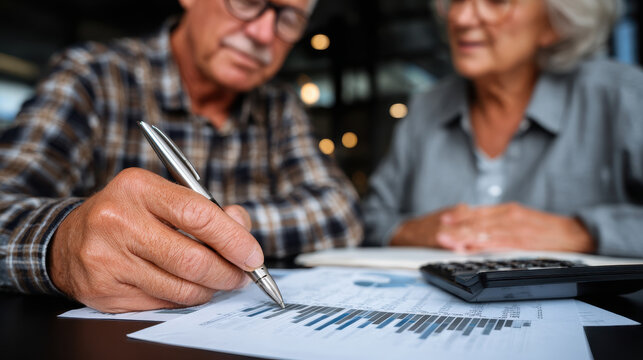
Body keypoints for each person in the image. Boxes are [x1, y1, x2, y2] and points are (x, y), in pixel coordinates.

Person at [0, 0, 363, 313]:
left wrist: (207, 230)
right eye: (249, 1)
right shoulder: (93, 77)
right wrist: (63, 243)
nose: (264, 34)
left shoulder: (280, 107)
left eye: (289, 19)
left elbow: (340, 211)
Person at [363, 0, 643, 257]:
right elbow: (372, 220)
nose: (461, 18)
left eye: (496, 1)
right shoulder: (425, 110)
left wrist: (582, 233)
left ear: (556, 23)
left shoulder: (623, 96)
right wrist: (414, 232)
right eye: (455, 0)